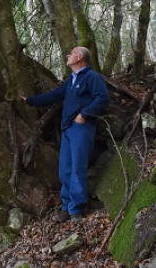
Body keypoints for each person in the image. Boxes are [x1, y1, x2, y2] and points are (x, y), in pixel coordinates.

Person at [20, 47, 109, 222]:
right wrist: (29, 101)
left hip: (82, 129)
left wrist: (84, 114)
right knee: (64, 170)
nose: (68, 56)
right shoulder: (71, 81)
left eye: (71, 53)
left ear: (80, 57)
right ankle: (67, 207)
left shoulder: (92, 77)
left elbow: (103, 98)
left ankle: (76, 209)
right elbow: (53, 95)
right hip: (67, 129)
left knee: (77, 167)